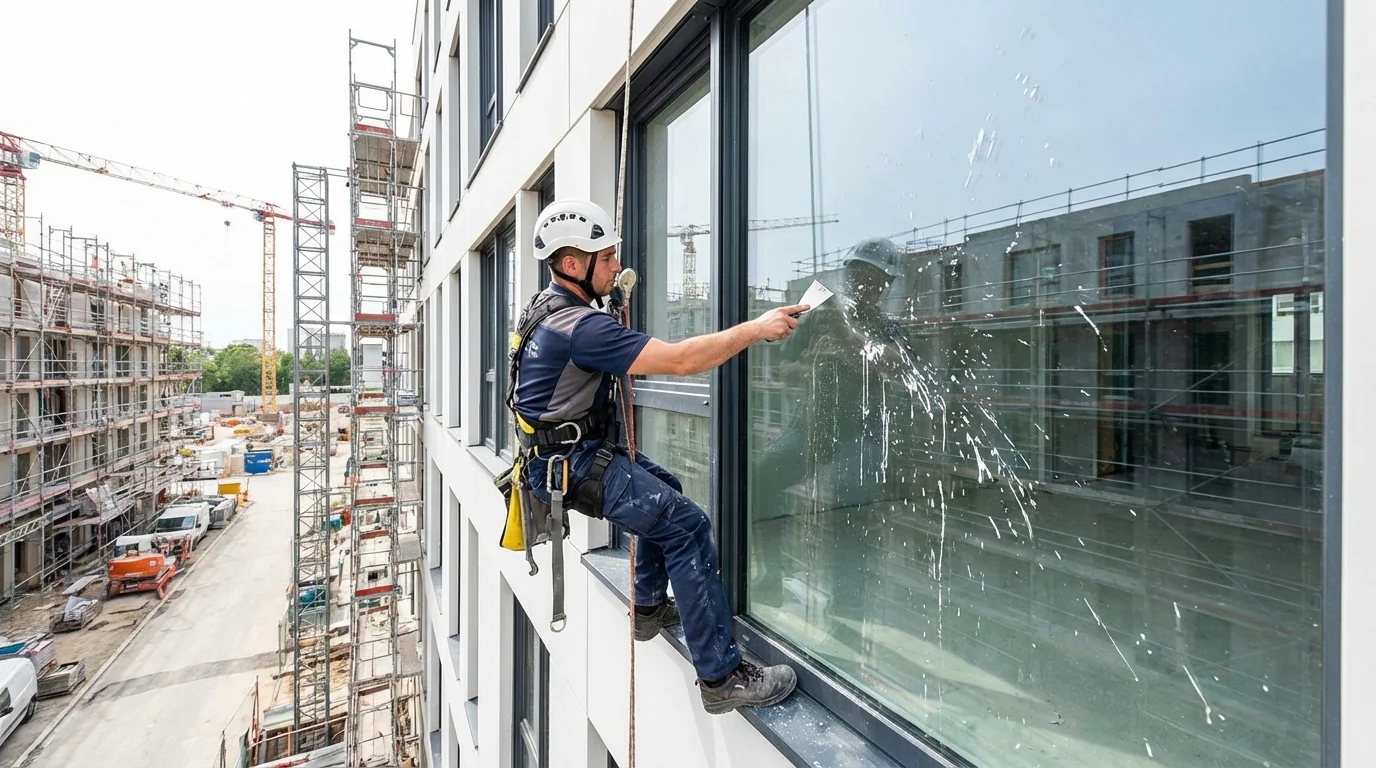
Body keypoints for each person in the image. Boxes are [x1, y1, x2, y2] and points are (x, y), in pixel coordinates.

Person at [511, 199, 804, 714]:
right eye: (606, 260)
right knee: (687, 525)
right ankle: (722, 676)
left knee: (666, 490)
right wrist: (757, 328)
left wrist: (611, 296)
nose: (616, 267)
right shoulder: (580, 327)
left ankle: (647, 606)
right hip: (571, 463)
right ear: (573, 264)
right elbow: (683, 360)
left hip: (560, 455)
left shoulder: (548, 308)